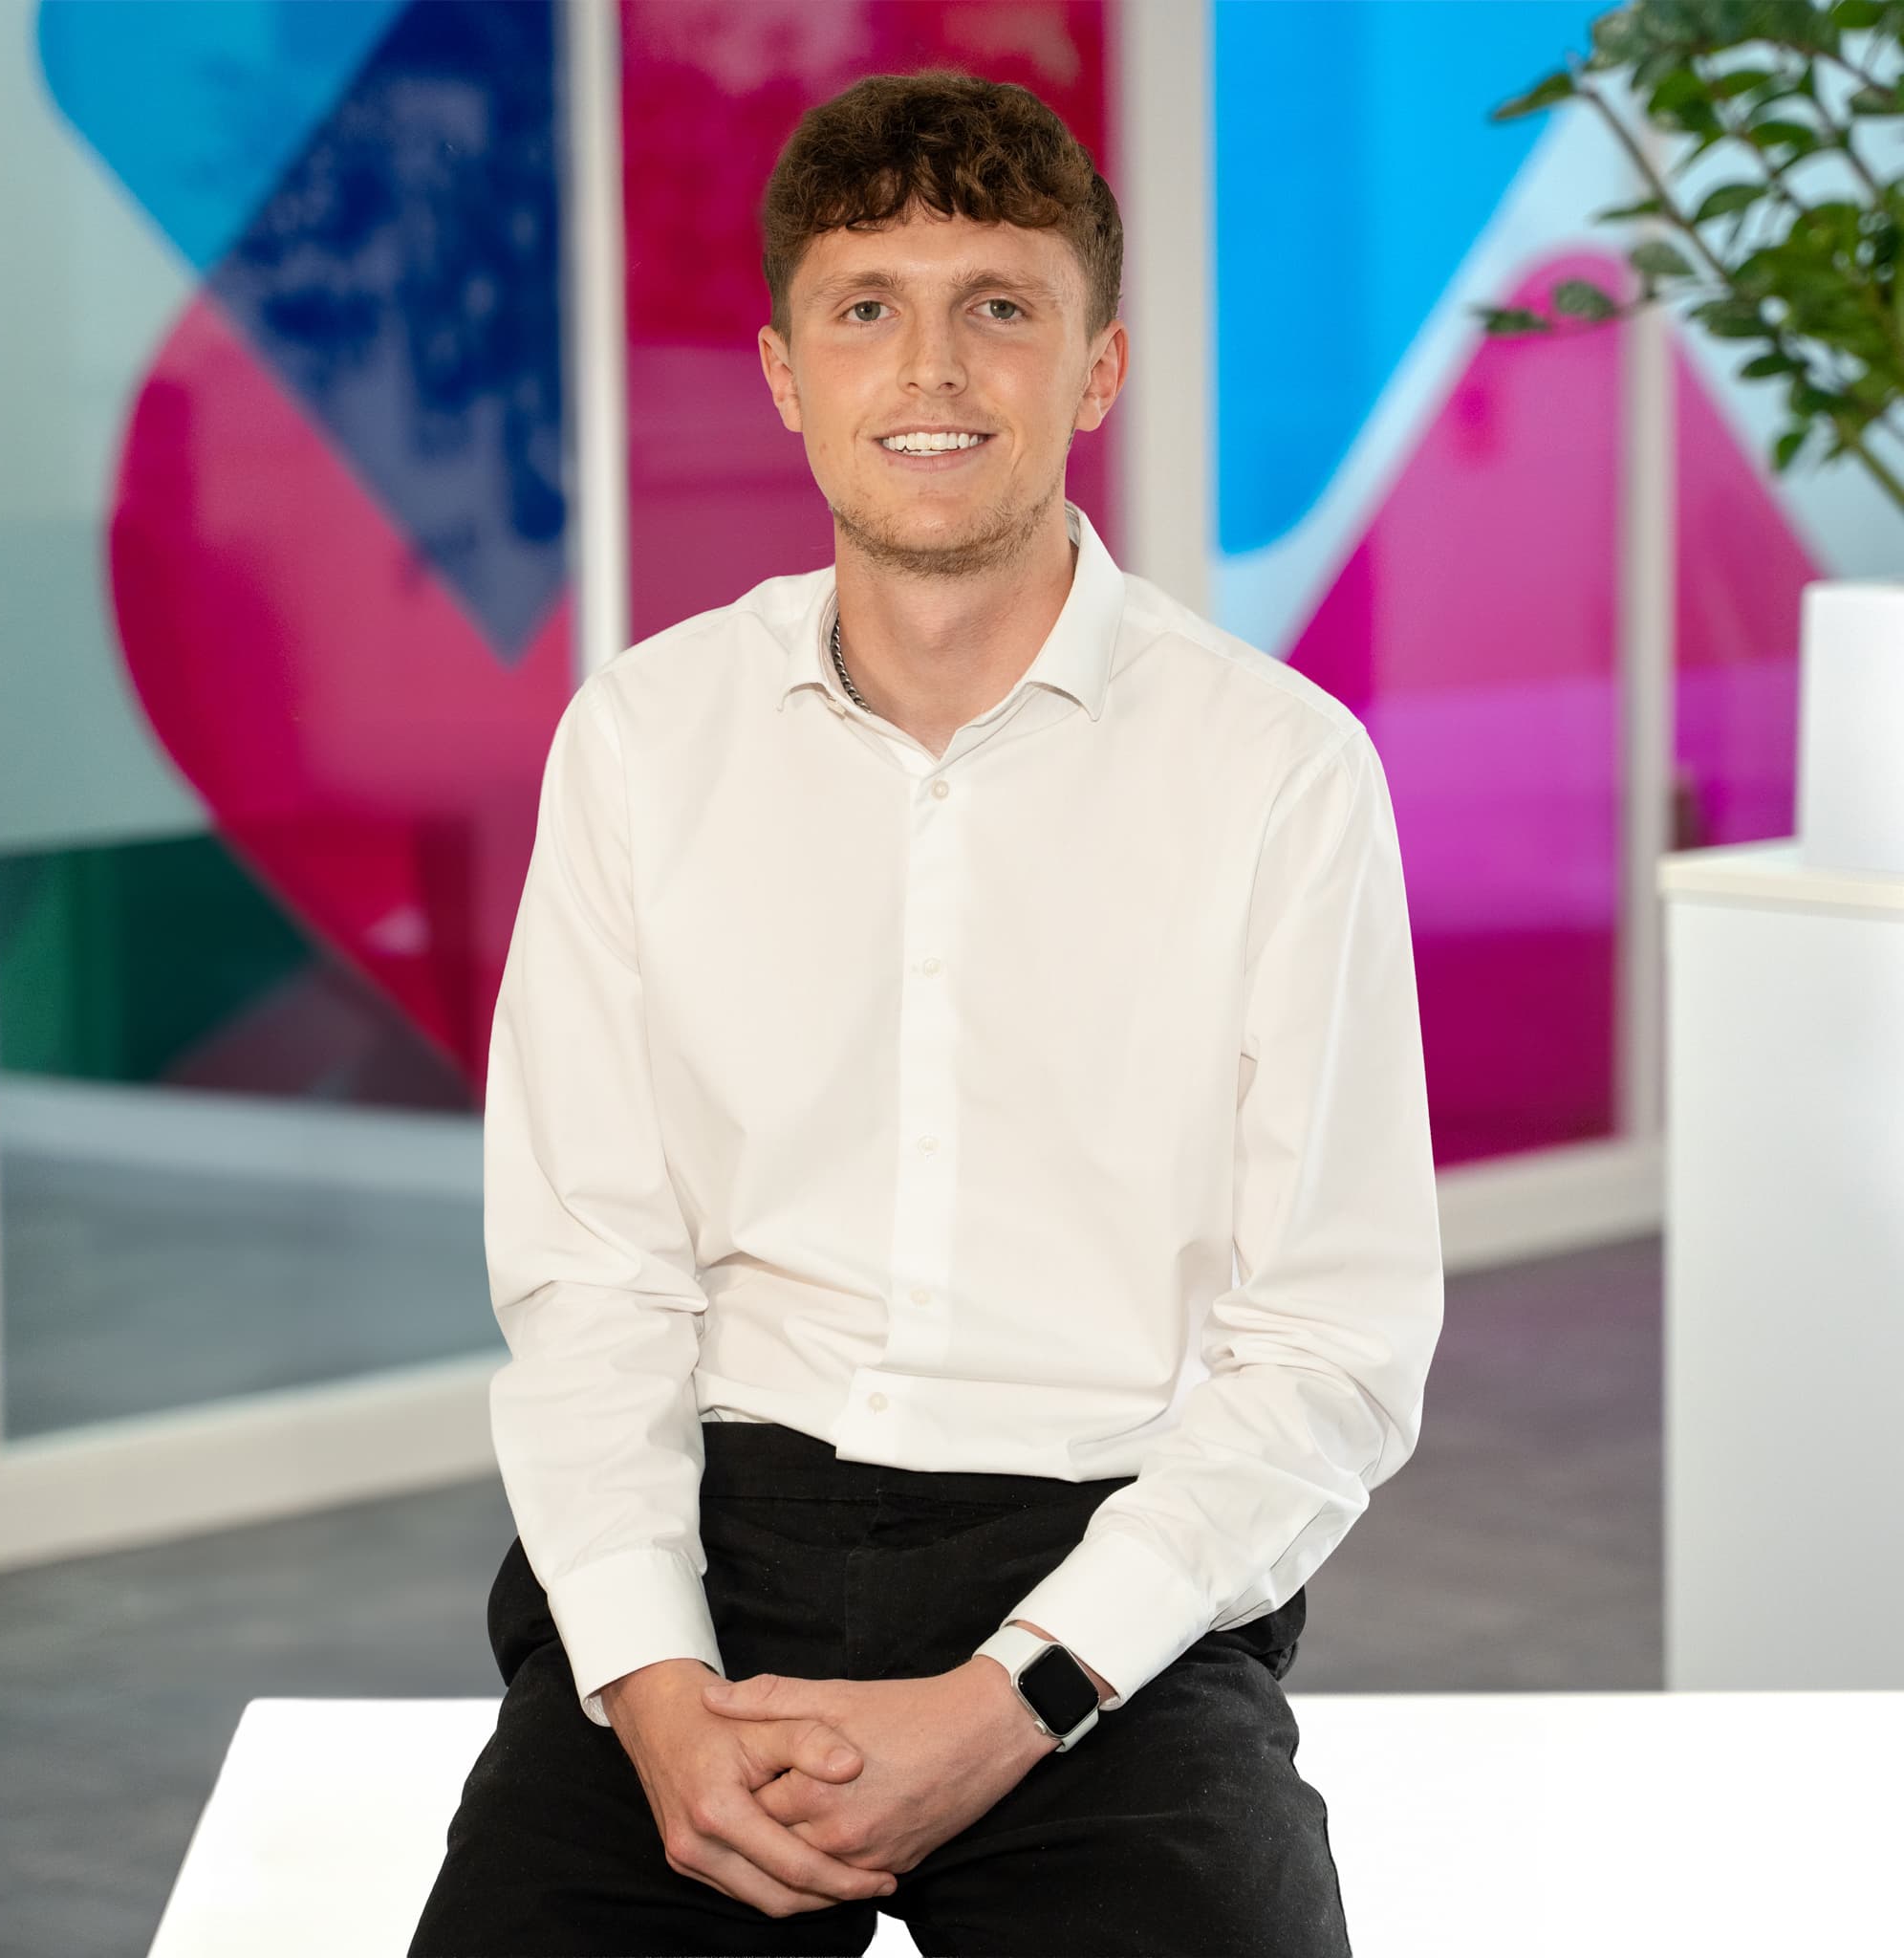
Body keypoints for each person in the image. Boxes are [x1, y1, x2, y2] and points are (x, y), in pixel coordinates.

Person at [409, 65, 1442, 1958]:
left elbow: (1334, 1338)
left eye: (999, 306)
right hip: (723, 1535)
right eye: (866, 307)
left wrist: (1018, 1696)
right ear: (788, 371)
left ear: (1097, 366)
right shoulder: (646, 741)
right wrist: (646, 1681)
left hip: (1105, 1568)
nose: (933, 370)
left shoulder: (1278, 770)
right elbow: (591, 1274)